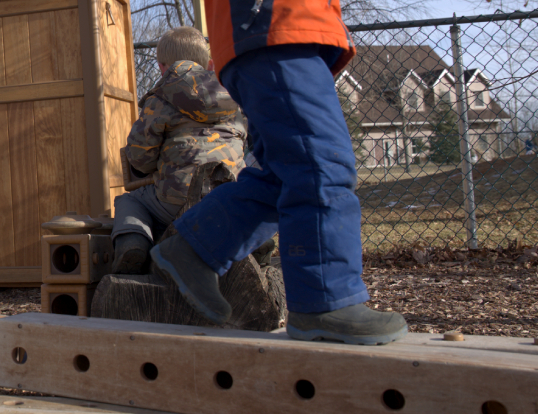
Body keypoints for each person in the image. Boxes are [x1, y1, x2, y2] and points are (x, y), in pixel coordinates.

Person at [150, 0, 408, 345]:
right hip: (274, 24)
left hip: (279, 28)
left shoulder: (162, 97)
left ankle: (198, 246)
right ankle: (324, 301)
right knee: (319, 163)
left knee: (283, 171)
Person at [111, 27, 247, 275]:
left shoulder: (160, 98)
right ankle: (252, 242)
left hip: (177, 198)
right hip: (229, 195)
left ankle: (134, 241)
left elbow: (140, 159)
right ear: (210, 63)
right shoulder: (234, 96)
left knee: (130, 200)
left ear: (162, 67)